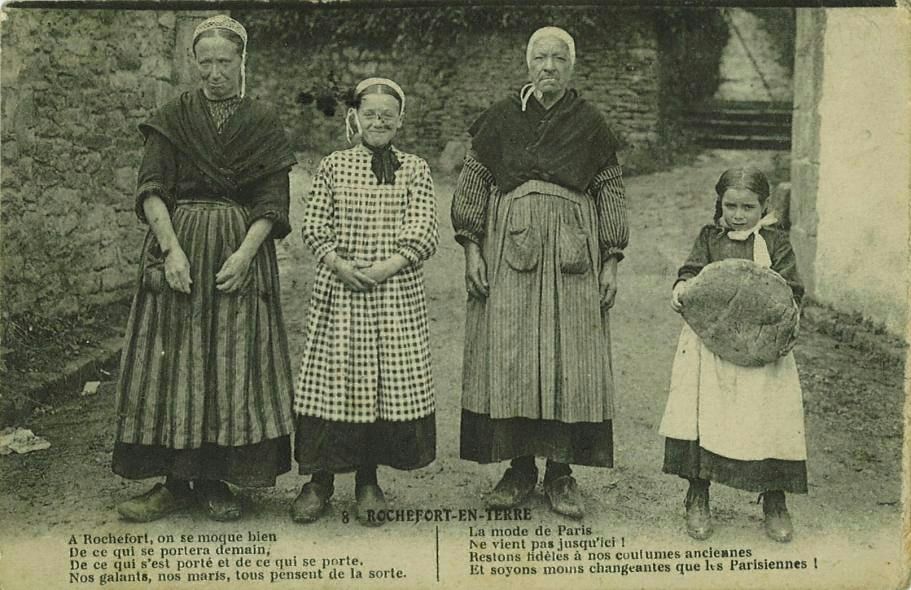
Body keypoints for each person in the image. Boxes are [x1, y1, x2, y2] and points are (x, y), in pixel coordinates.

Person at [112, 15, 297, 522]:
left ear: (241, 62)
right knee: (174, 364)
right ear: (194, 62)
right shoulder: (171, 117)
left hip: (239, 253)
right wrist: (171, 251)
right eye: (206, 62)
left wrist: (244, 254)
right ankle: (171, 482)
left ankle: (216, 481)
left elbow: (272, 202)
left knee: (231, 361)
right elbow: (151, 188)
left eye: (226, 61)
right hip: (182, 250)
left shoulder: (262, 121)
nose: (215, 72)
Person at [452, 27, 628, 519]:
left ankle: (562, 474)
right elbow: (474, 182)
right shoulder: (501, 119)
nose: (548, 66)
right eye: (540, 58)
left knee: (570, 359)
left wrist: (610, 258)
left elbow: (610, 189)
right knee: (511, 356)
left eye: (558, 59)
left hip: (575, 255)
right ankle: (519, 469)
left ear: (571, 68)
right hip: (510, 252)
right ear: (527, 65)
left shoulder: (590, 122)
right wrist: (471, 249)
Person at [291, 78, 439, 526]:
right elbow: (315, 225)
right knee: (335, 382)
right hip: (340, 293)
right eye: (370, 114)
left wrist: (382, 269)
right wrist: (340, 265)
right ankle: (319, 481)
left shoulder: (415, 169)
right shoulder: (334, 165)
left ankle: (368, 481)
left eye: (387, 115)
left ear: (400, 120)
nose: (378, 122)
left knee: (381, 385)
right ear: (355, 117)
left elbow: (424, 231)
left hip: (394, 294)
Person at [661, 167, 807, 543]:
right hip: (711, 346)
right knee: (705, 415)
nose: (739, 214)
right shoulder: (710, 237)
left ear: (765, 206)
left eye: (748, 206)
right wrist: (682, 288)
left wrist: (782, 315)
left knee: (768, 420)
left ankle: (774, 501)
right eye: (731, 206)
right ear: (720, 204)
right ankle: (697, 495)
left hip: (762, 349)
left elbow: (791, 290)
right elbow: (690, 272)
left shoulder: (776, 242)